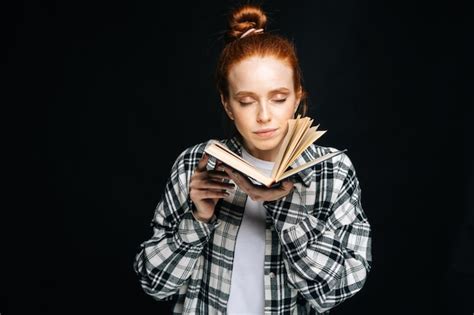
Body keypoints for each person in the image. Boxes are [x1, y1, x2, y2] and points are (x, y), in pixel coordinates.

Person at [133, 3, 372, 314]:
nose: (263, 115)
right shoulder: (196, 163)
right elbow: (154, 284)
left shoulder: (332, 170)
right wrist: (199, 219)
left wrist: (288, 213)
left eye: (279, 98)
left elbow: (337, 290)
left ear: (298, 97)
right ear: (228, 105)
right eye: (246, 101)